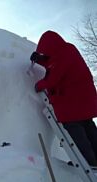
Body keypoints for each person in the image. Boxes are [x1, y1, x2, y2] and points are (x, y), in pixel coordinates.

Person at [31, 30, 97, 168]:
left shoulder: (63, 55)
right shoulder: (66, 51)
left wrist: (39, 85)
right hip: (83, 100)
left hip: (74, 102)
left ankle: (90, 163)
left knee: (76, 131)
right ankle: (93, 160)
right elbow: (53, 64)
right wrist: (40, 59)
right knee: (88, 127)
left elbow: (52, 78)